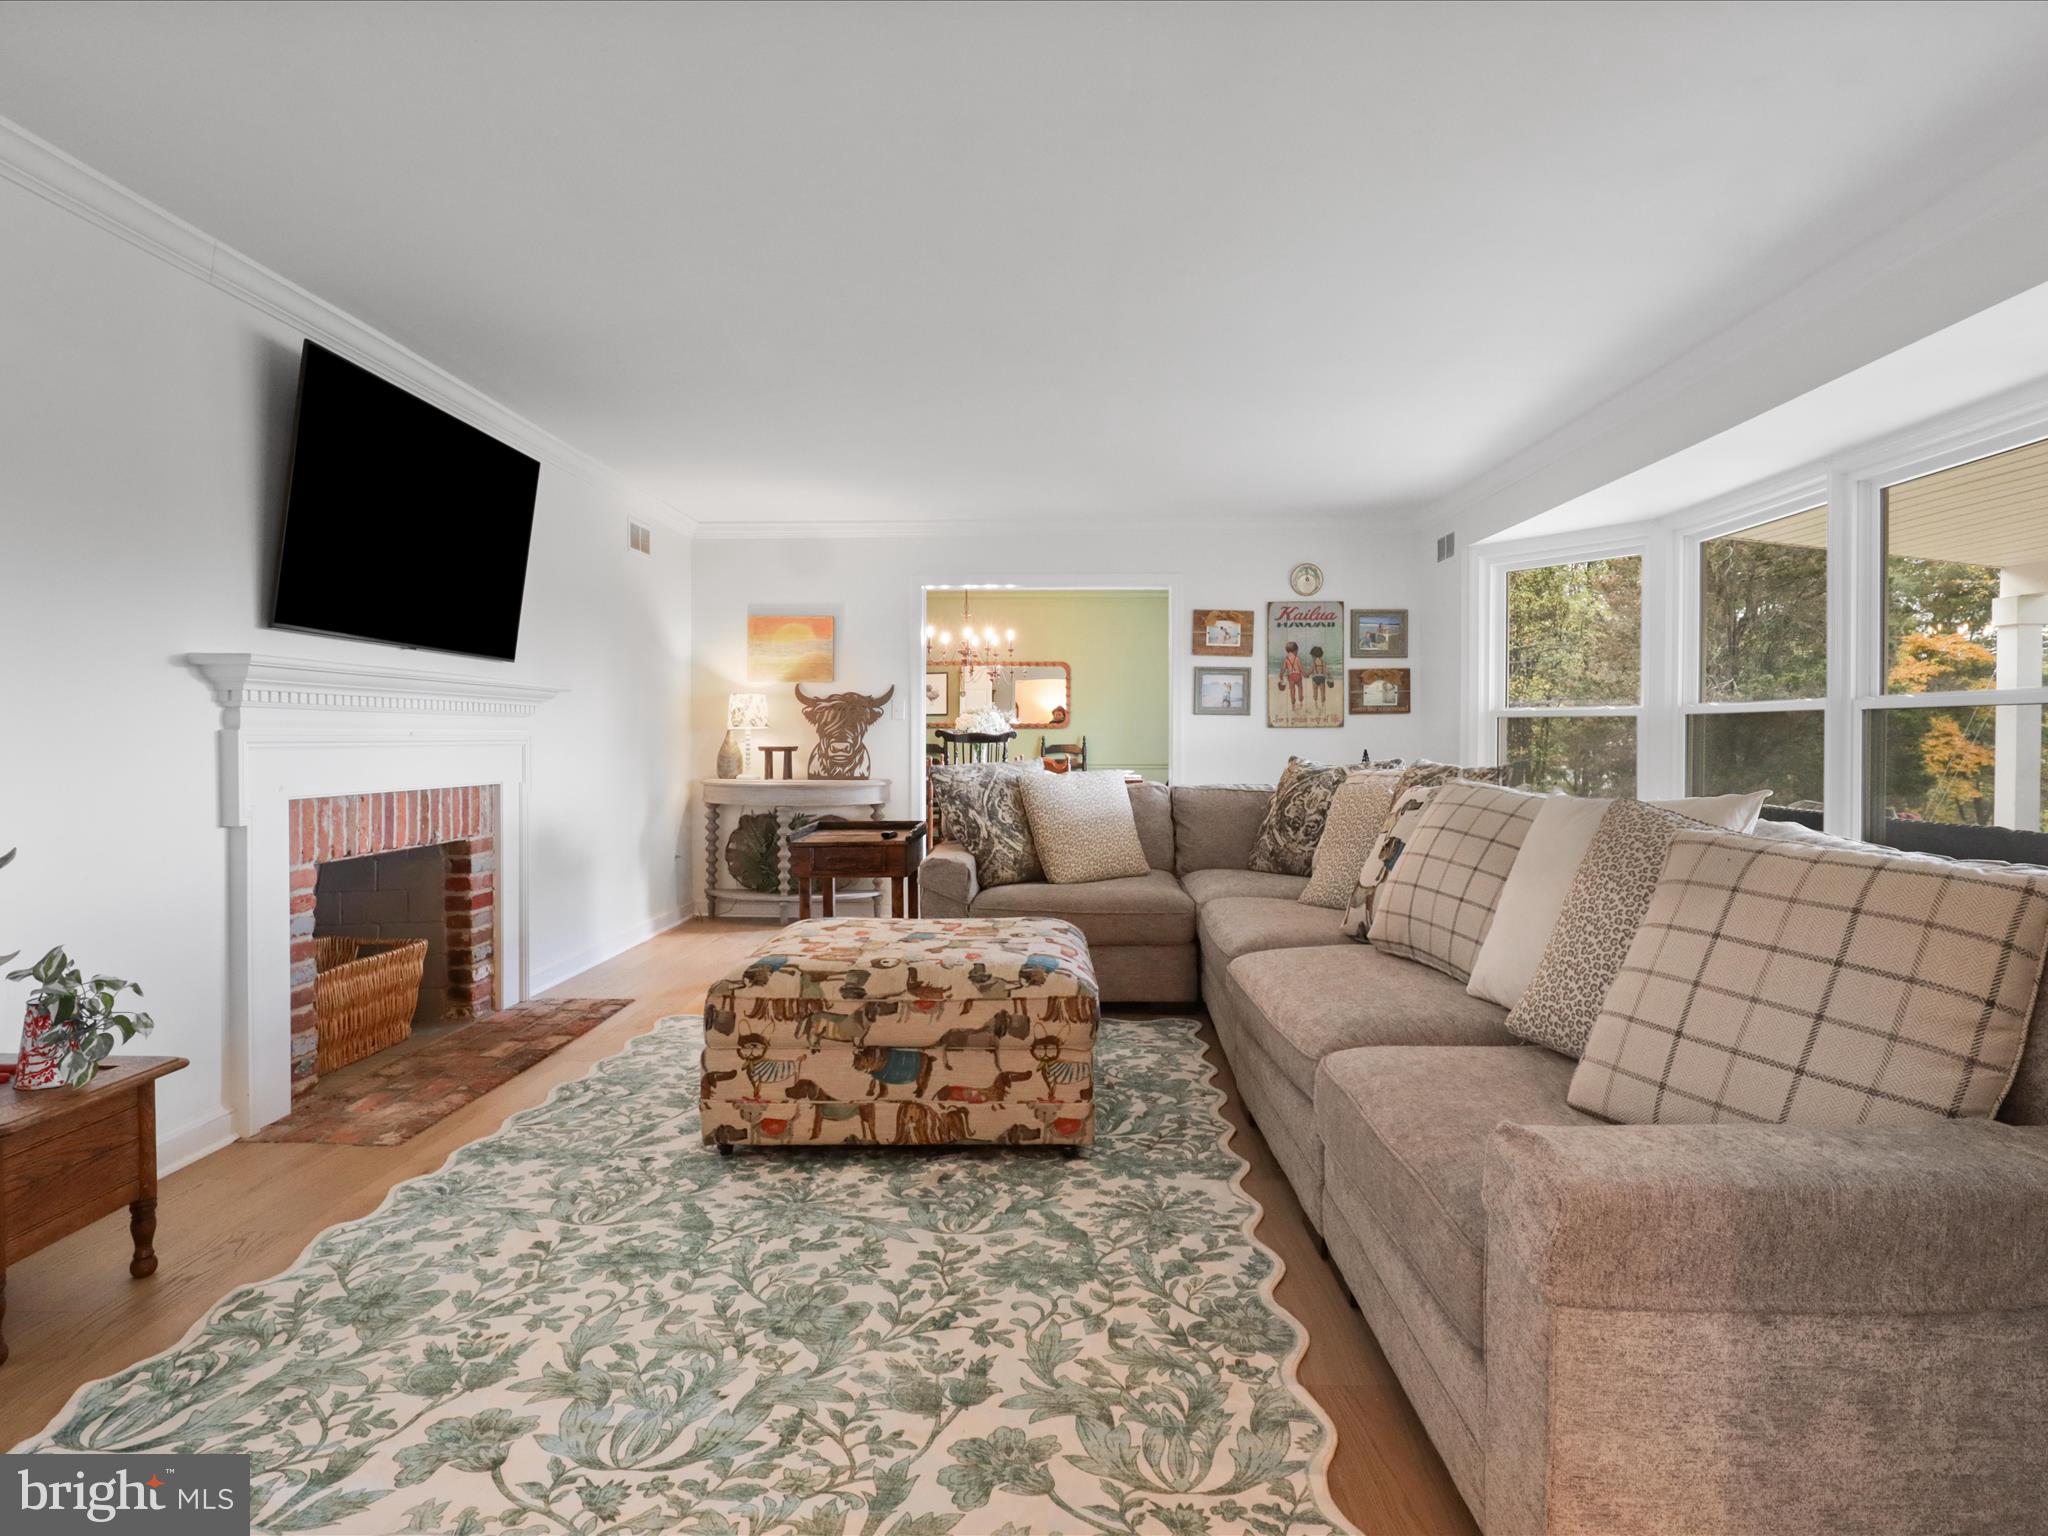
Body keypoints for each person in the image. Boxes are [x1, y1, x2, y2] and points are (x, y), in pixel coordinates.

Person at [1280, 640, 1304, 713]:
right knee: (1300, 688)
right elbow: (1301, 669)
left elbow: (1283, 668)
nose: (1297, 652)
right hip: (1298, 675)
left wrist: (1281, 675)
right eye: (1297, 650)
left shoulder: (1286, 659)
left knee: (1292, 692)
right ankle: (1301, 703)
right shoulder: (1297, 658)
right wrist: (1306, 674)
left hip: (1291, 677)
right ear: (1294, 650)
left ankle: (1293, 706)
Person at [1309, 645, 1330, 710]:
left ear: (1314, 655)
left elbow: (1311, 671)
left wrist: (1306, 674)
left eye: (1312, 656)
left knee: (1315, 692)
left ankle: (1316, 705)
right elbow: (1326, 671)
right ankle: (1323, 705)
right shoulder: (1323, 662)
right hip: (1322, 678)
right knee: (1322, 692)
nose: (1312, 657)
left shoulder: (1313, 662)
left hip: (1315, 678)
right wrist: (1329, 675)